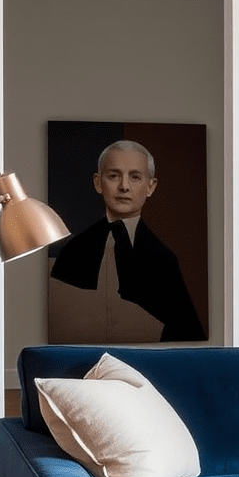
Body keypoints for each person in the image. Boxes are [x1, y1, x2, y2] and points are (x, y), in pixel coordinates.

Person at [48, 140, 206, 343]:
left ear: (150, 186)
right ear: (98, 183)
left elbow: (186, 331)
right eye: (114, 176)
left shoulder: (165, 260)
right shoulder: (73, 251)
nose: (124, 186)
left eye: (135, 177)